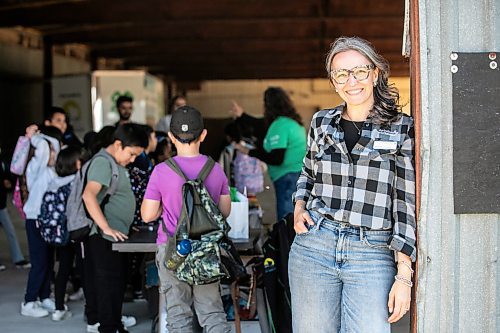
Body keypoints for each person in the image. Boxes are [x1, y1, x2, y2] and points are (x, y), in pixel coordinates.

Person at [289, 36, 416, 333]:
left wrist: (404, 274)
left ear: (374, 74)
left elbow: (405, 201)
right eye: (341, 74)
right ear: (333, 81)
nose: (352, 81)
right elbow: (308, 172)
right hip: (315, 245)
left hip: (372, 251)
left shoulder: (401, 127)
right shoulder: (322, 122)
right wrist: (298, 207)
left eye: (359, 71)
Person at [141, 105, 232, 333]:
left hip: (173, 249)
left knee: (178, 315)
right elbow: (224, 211)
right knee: (212, 313)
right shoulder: (216, 169)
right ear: (203, 134)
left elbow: (148, 215)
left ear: (171, 137)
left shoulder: (161, 171)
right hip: (206, 249)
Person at [82, 124, 148, 333]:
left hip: (116, 237)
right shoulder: (103, 162)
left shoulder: (114, 163)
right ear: (118, 144)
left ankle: (116, 325)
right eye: (131, 153)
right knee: (108, 284)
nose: (133, 159)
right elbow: (88, 195)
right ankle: (109, 328)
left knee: (117, 283)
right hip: (103, 238)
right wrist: (106, 227)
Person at [231, 87, 307, 220]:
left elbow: (276, 158)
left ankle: (285, 242)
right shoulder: (291, 123)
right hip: (296, 176)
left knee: (286, 220)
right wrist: (242, 115)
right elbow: (260, 125)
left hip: (287, 177)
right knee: (293, 219)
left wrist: (249, 152)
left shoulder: (280, 125)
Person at [21, 124, 62, 318]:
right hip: (35, 220)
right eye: (52, 148)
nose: (54, 152)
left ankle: (44, 296)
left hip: (46, 221)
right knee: (39, 262)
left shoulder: (50, 171)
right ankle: (29, 301)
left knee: (47, 261)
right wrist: (35, 137)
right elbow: (45, 147)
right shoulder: (36, 168)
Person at [41, 146, 82, 321]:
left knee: (63, 270)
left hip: (59, 234)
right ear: (77, 163)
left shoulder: (54, 184)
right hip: (75, 231)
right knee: (85, 267)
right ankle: (92, 309)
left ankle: (58, 307)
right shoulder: (76, 182)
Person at [0, 152, 30, 269]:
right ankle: (18, 258)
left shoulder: (2, 160)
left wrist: (8, 182)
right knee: (10, 230)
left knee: (10, 231)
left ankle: (18, 258)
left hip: (1, 203)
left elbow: (8, 175)